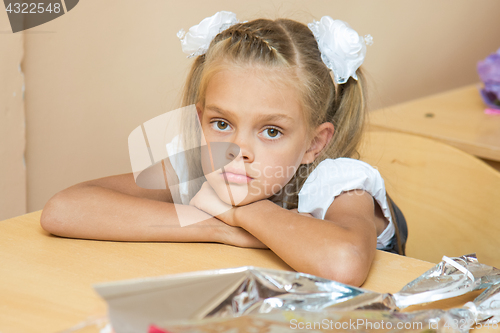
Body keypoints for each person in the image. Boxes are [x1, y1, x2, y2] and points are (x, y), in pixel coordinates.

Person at [40, 11, 407, 287]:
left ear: (314, 143)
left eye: (271, 131)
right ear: (200, 121)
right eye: (222, 124)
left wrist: (243, 213)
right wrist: (222, 228)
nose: (237, 149)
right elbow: (63, 210)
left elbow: (343, 264)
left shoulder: (340, 184)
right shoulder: (202, 164)